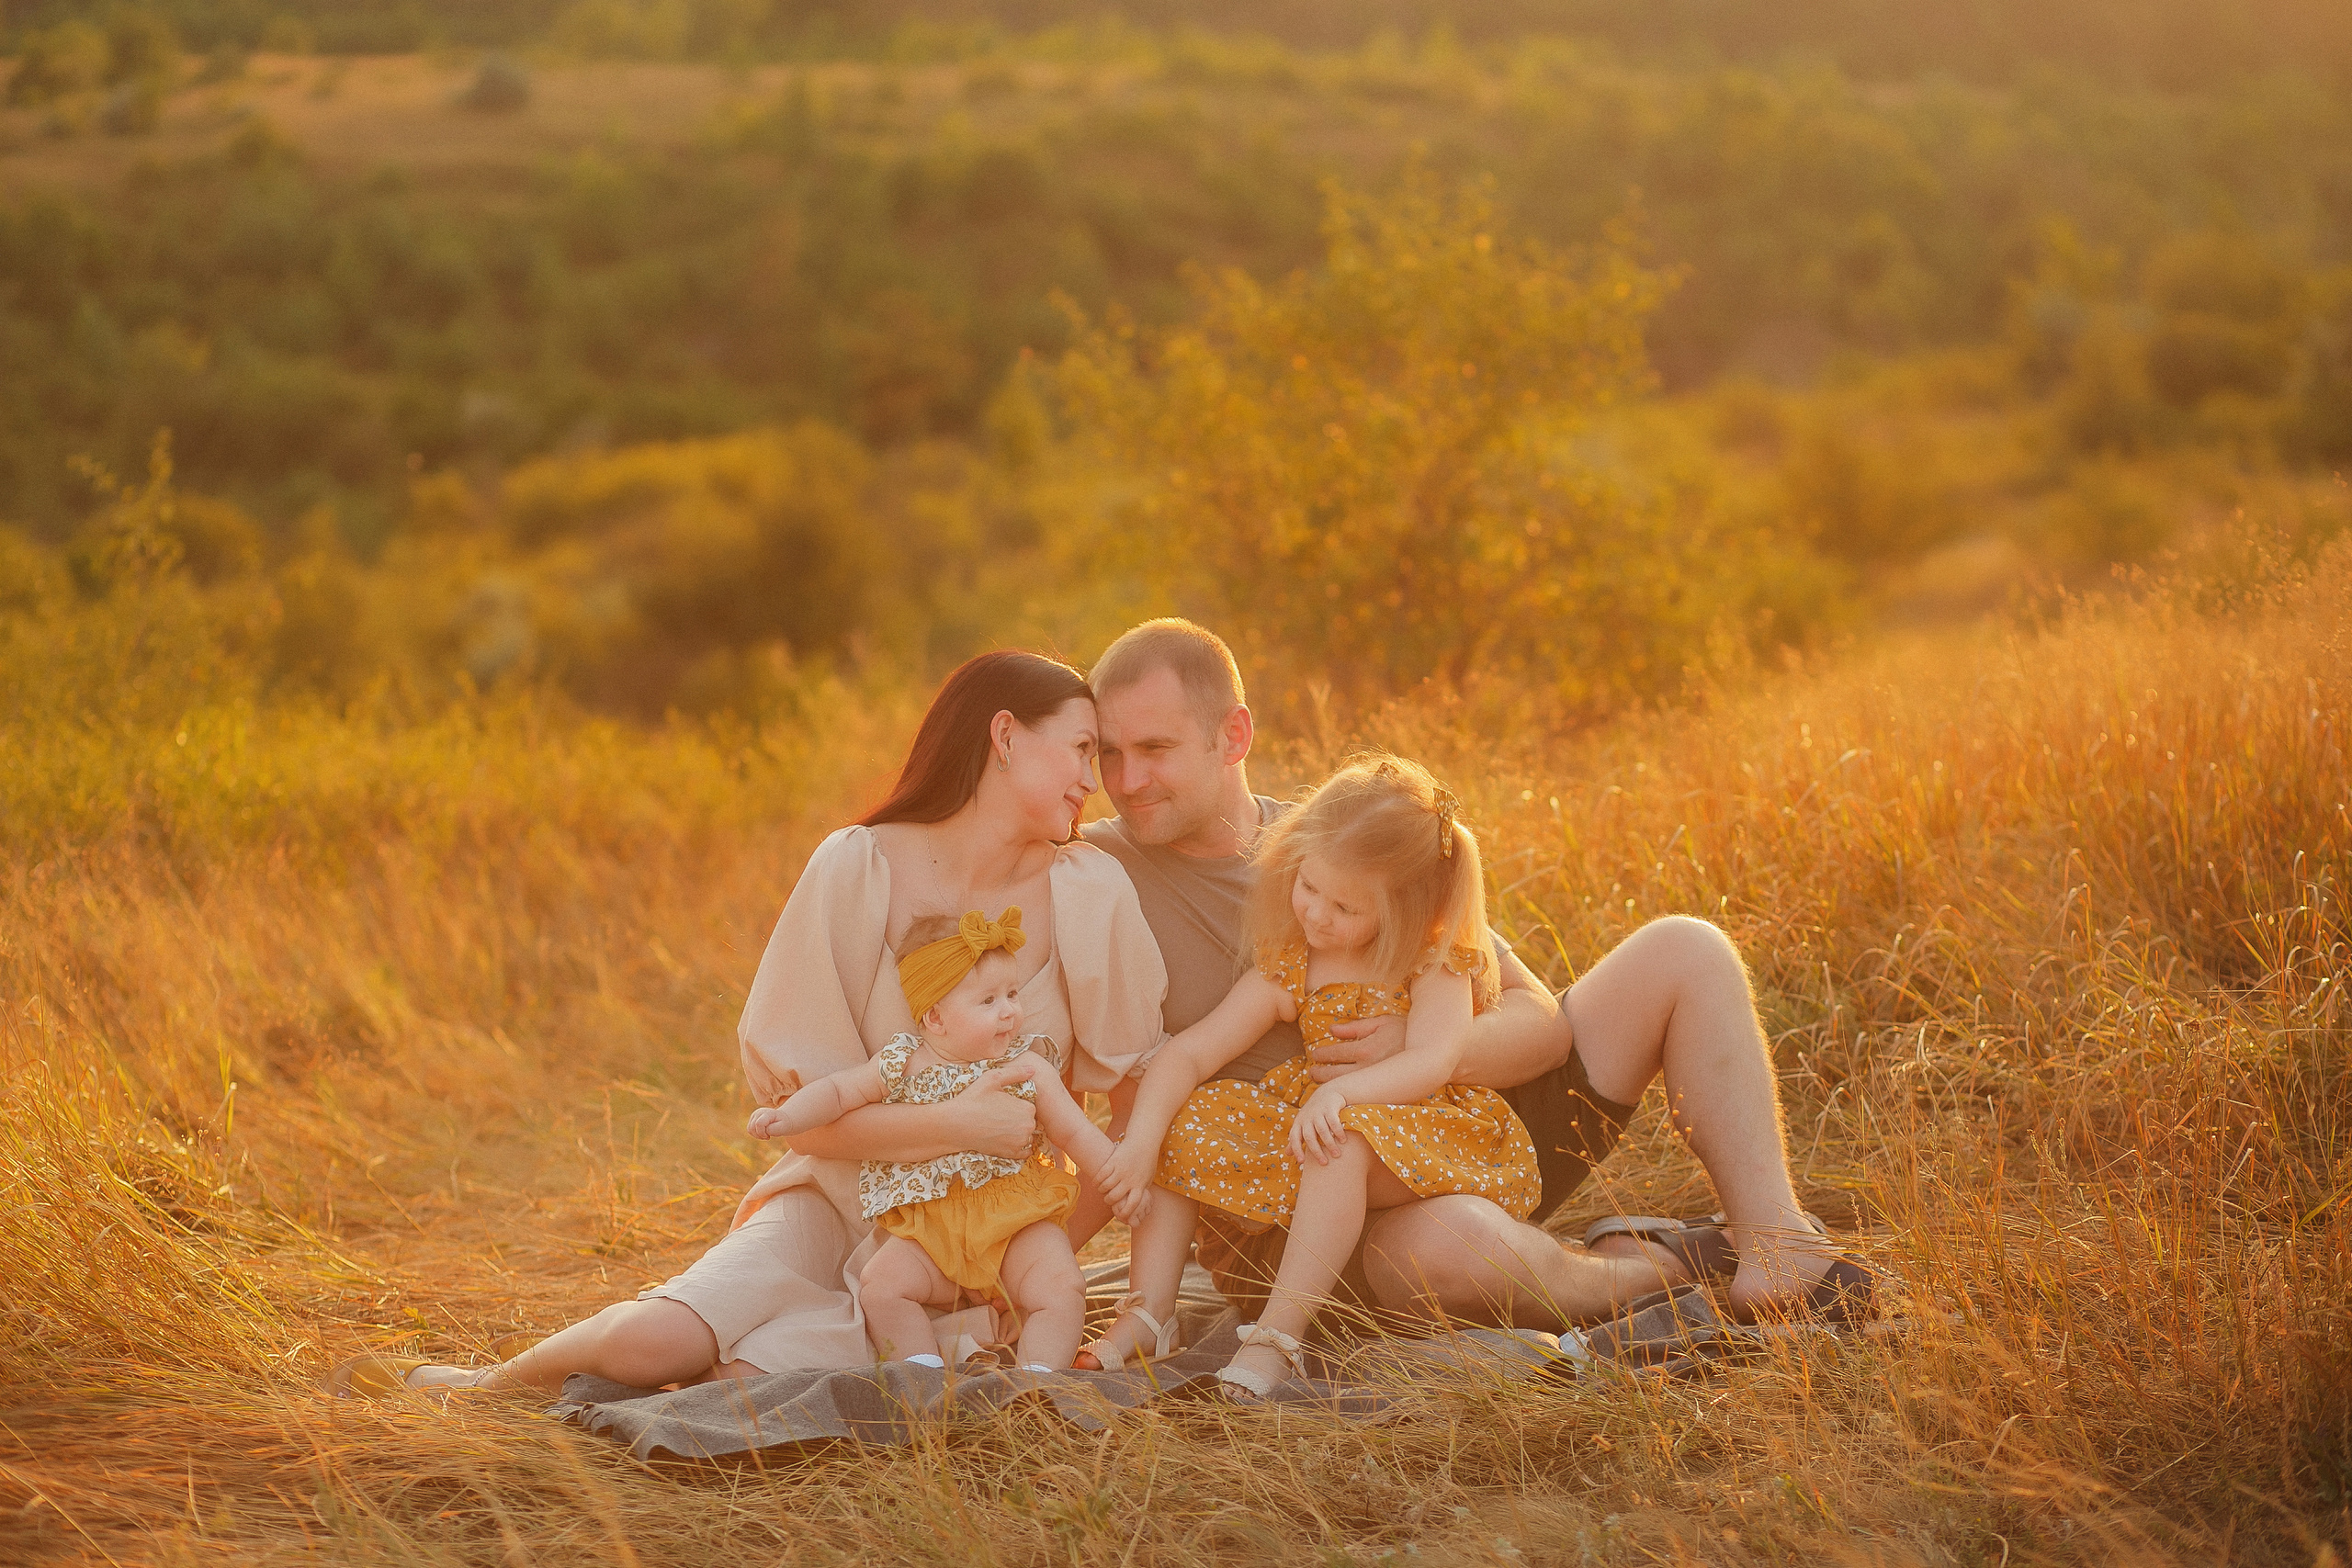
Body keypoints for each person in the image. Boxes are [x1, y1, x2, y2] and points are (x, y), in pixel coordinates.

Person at [331, 650, 1169, 1398]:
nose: (1096, 778)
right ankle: (480, 1384)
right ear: (1006, 736)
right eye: (1084, 748)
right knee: (654, 1341)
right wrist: (955, 1123)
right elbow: (811, 1123)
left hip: (980, 1237)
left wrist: (1026, 1254)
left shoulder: (1092, 893)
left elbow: (1132, 1113)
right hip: (839, 1198)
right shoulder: (858, 867)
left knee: (738, 1385)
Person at [1077, 619, 1867, 1363]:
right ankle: (1654, 1268)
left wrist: (1422, 1054)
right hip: (1306, 1203)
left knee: (1687, 949)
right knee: (1462, 1250)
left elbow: (1541, 1023)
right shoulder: (1091, 871)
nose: (1126, 780)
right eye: (1109, 752)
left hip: (1463, 1129)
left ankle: (1776, 1243)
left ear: (1234, 736)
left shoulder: (1341, 839)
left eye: (1154, 747)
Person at [1093, 757, 1542, 1396]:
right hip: (1325, 1116)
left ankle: (1279, 1337)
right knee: (1185, 1112)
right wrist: (1139, 1141)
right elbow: (1190, 1051)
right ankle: (1147, 1311)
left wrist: (1339, 1092)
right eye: (1309, 886)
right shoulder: (1298, 961)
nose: (1318, 915)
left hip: (1424, 1132)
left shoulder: (1435, 958)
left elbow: (1433, 1061)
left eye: (1345, 906)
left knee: (1341, 1138)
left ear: (1408, 909)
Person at [749, 907, 1128, 1372]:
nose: (1009, 1010)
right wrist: (786, 1115)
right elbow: (838, 1092)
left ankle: (1039, 1383)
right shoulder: (902, 1063)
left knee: (1062, 1285)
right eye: (988, 1001)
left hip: (1015, 1221)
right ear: (935, 1016)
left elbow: (1075, 1130)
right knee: (881, 1285)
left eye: (1012, 993)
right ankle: (923, 1374)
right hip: (933, 1231)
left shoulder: (1026, 1065)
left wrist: (1118, 1177)